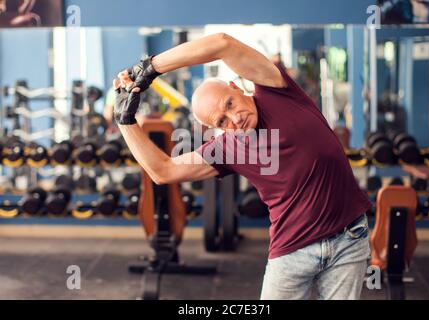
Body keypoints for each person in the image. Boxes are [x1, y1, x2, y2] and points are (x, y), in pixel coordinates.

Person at [113, 33, 372, 300]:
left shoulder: (276, 90)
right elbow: (162, 171)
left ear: (236, 87)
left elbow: (222, 43)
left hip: (348, 239)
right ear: (216, 130)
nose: (235, 119)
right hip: (293, 250)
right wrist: (125, 120)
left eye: (230, 104)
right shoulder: (226, 150)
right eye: (222, 122)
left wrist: (151, 67)